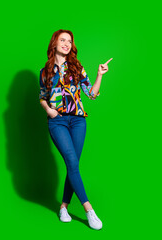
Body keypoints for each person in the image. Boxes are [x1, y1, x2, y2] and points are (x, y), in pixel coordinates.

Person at [39, 29, 112, 230]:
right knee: (71, 161)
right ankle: (89, 210)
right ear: (54, 43)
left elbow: (91, 94)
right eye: (63, 40)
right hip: (58, 121)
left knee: (73, 166)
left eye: (69, 41)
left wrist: (99, 75)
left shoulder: (76, 68)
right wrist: (49, 110)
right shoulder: (45, 72)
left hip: (78, 121)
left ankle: (63, 206)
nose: (67, 44)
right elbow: (42, 96)